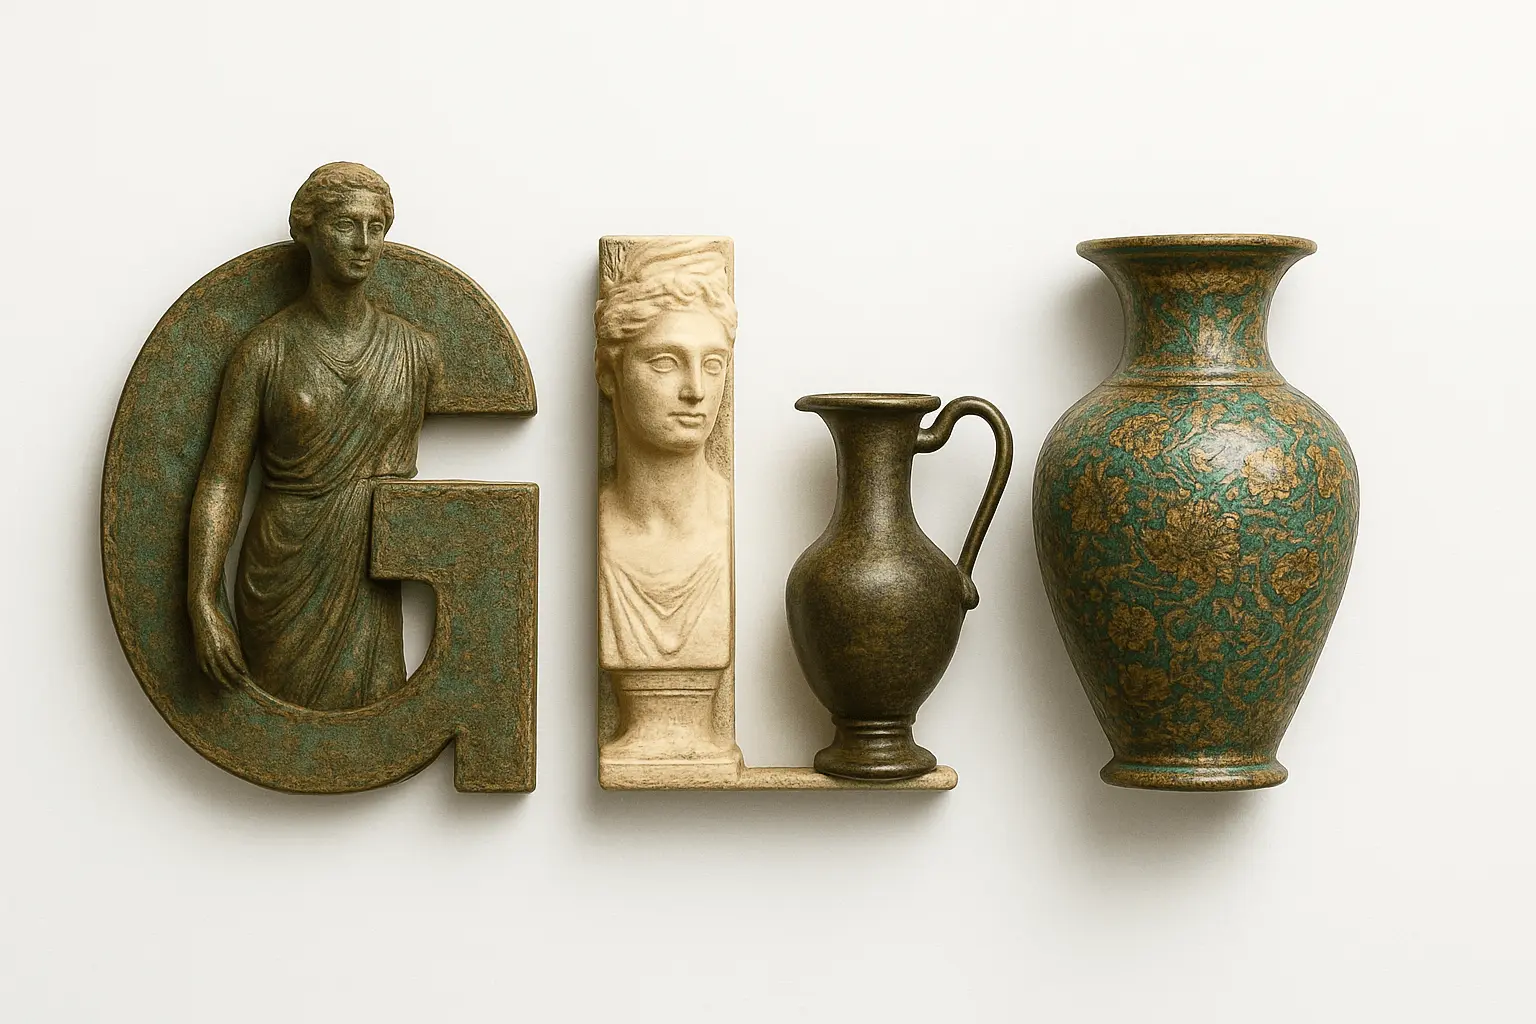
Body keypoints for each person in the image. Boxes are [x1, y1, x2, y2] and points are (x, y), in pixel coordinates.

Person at [187, 162, 442, 710]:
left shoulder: (417, 350)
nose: (364, 243)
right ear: (307, 229)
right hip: (285, 566)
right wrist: (202, 598)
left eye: (377, 227)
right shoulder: (265, 350)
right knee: (278, 717)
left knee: (368, 715)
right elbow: (222, 479)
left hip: (372, 566)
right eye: (345, 225)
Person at [594, 238, 735, 670]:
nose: (695, 390)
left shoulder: (725, 520)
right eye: (665, 362)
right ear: (609, 375)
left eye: (713, 364)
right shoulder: (604, 526)